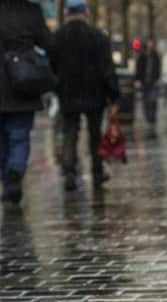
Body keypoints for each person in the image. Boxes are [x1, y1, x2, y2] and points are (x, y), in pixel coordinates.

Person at [52, 0, 120, 191]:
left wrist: (57, 88)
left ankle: (70, 172)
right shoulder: (98, 37)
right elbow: (108, 69)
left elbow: (51, 68)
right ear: (86, 13)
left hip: (68, 95)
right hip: (95, 95)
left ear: (66, 13)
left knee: (69, 133)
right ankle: (97, 172)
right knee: (95, 135)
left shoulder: (57, 37)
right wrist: (113, 96)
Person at [0, 0, 52, 204]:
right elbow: (48, 42)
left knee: (2, 141)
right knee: (19, 135)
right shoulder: (31, 11)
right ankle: (16, 169)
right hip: (23, 80)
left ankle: (7, 183)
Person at [135, 39, 161, 125]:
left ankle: (153, 116)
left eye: (151, 43)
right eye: (148, 42)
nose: (150, 44)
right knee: (145, 100)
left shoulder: (156, 55)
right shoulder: (142, 56)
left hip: (153, 81)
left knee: (153, 100)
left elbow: (158, 68)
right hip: (144, 81)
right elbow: (138, 69)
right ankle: (148, 117)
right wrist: (137, 80)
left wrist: (157, 78)